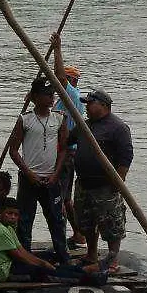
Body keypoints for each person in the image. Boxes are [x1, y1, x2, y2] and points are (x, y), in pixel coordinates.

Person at [7, 74, 70, 265]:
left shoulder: (59, 119)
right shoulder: (25, 120)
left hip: (51, 178)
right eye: (46, 94)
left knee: (56, 219)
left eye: (52, 94)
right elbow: (14, 150)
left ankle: (62, 255)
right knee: (25, 219)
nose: (51, 97)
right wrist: (29, 173)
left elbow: (64, 149)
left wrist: (56, 174)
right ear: (34, 97)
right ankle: (24, 257)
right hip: (29, 178)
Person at [74, 88, 133, 272]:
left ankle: (112, 260)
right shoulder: (85, 125)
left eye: (91, 104)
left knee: (111, 224)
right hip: (84, 182)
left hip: (106, 185)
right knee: (86, 221)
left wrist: (119, 180)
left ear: (103, 106)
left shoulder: (118, 127)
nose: (87, 107)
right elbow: (68, 140)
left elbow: (126, 156)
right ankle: (91, 253)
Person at [53, 32, 87, 249]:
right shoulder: (62, 99)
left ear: (71, 81)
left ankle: (77, 234)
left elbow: (58, 74)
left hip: (67, 154)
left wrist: (57, 49)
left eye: (64, 80)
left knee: (62, 198)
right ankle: (77, 234)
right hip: (63, 153)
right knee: (64, 198)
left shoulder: (71, 94)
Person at [0, 197, 58, 282]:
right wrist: (40, 265)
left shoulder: (8, 228)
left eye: (16, 214)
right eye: (9, 213)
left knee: (48, 257)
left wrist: (43, 263)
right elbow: (19, 256)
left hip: (9, 265)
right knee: (43, 272)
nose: (13, 217)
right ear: (0, 213)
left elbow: (23, 251)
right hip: (2, 272)